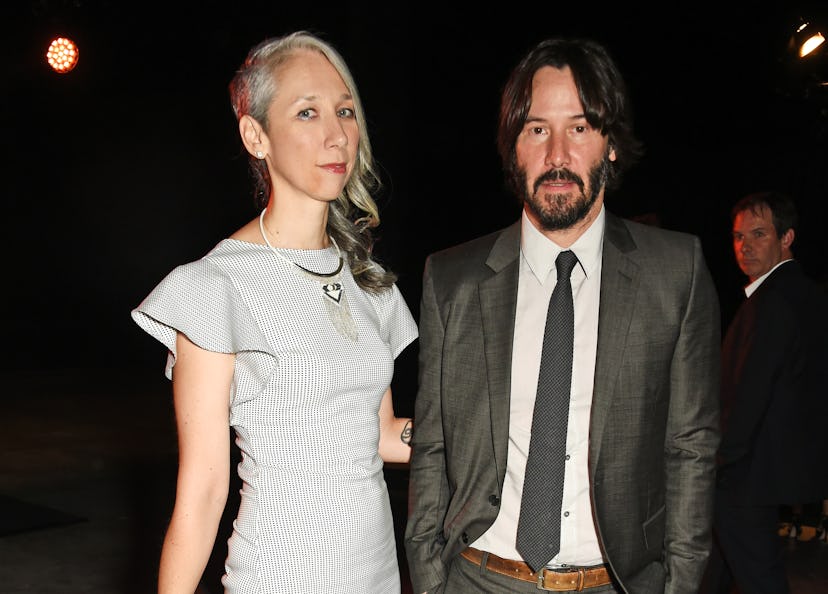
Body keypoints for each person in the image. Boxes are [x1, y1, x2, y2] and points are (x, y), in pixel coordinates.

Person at [404, 36, 721, 594]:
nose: (557, 155)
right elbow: (433, 442)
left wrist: (681, 581)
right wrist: (430, 576)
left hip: (617, 581)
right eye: (536, 129)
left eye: (579, 128)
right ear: (513, 150)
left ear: (611, 144)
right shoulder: (452, 279)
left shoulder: (677, 271)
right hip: (479, 577)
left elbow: (691, 445)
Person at [131, 31, 417, 594]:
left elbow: (381, 435)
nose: (337, 135)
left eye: (345, 111)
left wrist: (477, 433)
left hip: (379, 575)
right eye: (307, 113)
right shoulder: (217, 287)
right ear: (255, 135)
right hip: (280, 576)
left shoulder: (369, 281)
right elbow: (204, 489)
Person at [701, 191, 828, 594]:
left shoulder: (773, 302)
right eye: (738, 236)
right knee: (714, 572)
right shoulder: (804, 294)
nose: (745, 246)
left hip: (746, 474)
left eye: (758, 234)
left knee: (760, 579)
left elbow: (749, 393)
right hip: (770, 470)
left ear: (786, 237)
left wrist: (718, 463)